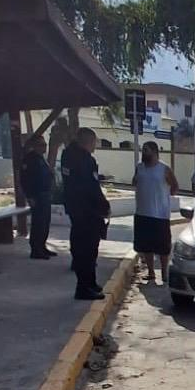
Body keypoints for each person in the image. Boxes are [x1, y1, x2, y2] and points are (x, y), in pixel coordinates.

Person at [62, 127, 110, 300]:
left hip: (76, 209)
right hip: (88, 211)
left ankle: (89, 283)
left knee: (81, 248)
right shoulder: (85, 160)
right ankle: (84, 287)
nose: (95, 146)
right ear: (89, 141)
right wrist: (104, 205)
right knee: (88, 250)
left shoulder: (68, 155)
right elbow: (91, 187)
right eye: (94, 142)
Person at [133, 141, 179, 283]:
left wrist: (163, 196)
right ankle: (151, 272)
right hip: (142, 212)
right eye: (143, 150)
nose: (144, 153)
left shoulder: (164, 169)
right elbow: (135, 182)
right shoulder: (139, 167)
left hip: (160, 214)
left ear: (155, 152)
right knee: (146, 246)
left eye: (146, 150)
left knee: (163, 247)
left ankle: (164, 273)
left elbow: (174, 186)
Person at [20, 134, 56, 259]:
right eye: (41, 145)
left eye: (45, 144)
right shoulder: (29, 159)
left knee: (45, 223)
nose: (44, 147)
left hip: (45, 194)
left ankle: (42, 246)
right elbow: (25, 180)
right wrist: (29, 196)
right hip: (36, 195)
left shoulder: (41, 158)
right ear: (34, 146)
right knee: (38, 223)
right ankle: (36, 250)